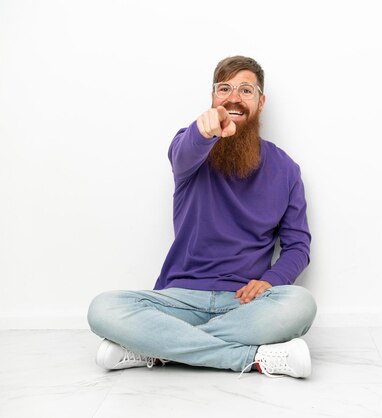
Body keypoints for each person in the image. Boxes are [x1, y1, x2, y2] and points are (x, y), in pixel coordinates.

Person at [87, 56, 316, 378]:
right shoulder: (191, 147)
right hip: (179, 299)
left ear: (260, 102)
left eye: (246, 90)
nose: (234, 97)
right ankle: (253, 359)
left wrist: (271, 281)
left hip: (246, 304)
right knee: (104, 307)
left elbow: (298, 245)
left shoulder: (286, 168)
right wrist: (202, 131)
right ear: (213, 98)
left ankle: (156, 349)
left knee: (300, 304)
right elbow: (185, 150)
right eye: (224, 88)